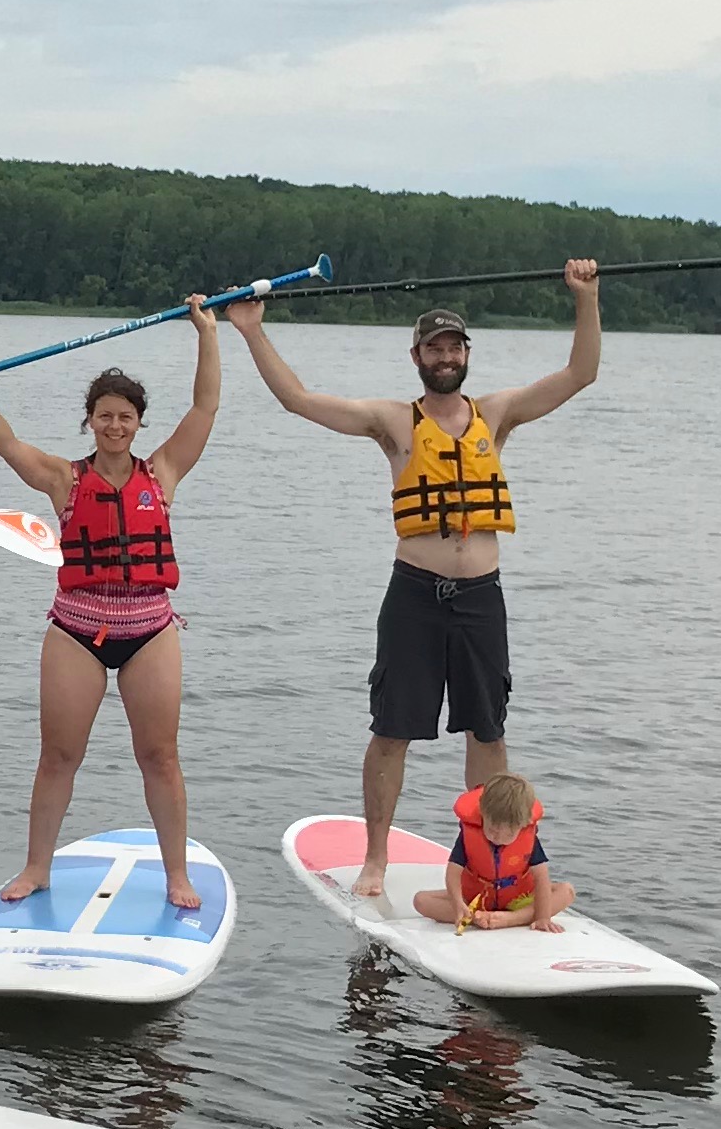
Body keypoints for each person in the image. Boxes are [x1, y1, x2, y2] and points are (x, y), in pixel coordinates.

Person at [229, 263, 602, 899]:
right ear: (417, 357)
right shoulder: (393, 421)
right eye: (435, 347)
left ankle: (494, 864)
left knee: (487, 732)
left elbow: (579, 375)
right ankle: (375, 859)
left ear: (466, 355)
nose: (446, 356)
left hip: (481, 598)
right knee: (392, 729)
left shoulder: (497, 414)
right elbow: (299, 400)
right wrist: (252, 331)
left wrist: (585, 298)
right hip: (414, 596)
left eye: (455, 346)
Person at [0, 301, 224, 911]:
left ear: (137, 424)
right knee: (58, 755)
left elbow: (205, 407)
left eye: (125, 418)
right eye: (105, 416)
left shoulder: (163, 472)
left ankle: (176, 874)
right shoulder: (64, 479)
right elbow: (11, 448)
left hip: (149, 631)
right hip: (75, 630)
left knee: (160, 756)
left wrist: (208, 334)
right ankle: (36, 868)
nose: (114, 426)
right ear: (90, 421)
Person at [416, 772, 571, 928]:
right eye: (491, 830)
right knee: (421, 901)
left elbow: (541, 877)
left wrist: (543, 918)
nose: (498, 838)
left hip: (517, 900)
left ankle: (514, 918)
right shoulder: (469, 834)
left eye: (509, 833)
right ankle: (477, 917)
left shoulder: (528, 839)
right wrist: (458, 903)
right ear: (483, 813)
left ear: (525, 823)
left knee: (566, 891)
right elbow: (453, 872)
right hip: (475, 900)